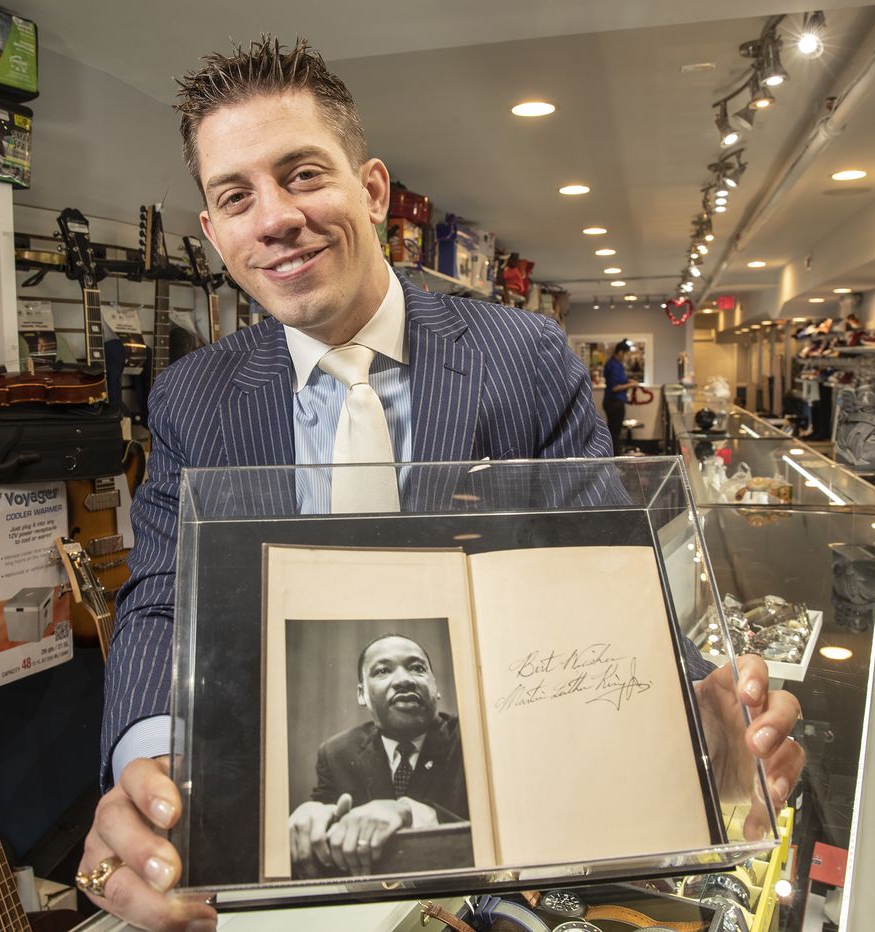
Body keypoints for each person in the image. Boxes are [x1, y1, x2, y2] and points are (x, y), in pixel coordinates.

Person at [80, 36, 804, 932]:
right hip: (287, 834)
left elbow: (601, 571)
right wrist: (151, 768)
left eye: (303, 175)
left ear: (373, 189)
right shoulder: (193, 396)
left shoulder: (524, 357)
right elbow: (160, 602)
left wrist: (689, 715)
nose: (273, 218)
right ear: (215, 232)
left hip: (512, 797)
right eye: (237, 196)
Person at [289, 634, 468, 877]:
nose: (404, 680)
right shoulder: (336, 753)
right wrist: (314, 816)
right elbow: (328, 814)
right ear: (362, 694)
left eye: (417, 668)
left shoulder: (472, 740)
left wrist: (406, 812)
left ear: (435, 687)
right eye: (383, 671)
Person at [602, 339, 636, 453]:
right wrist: (630, 384)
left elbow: (620, 380)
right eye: (626, 354)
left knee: (615, 431)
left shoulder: (617, 364)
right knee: (614, 433)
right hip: (614, 403)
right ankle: (614, 459)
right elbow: (614, 387)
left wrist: (628, 380)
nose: (627, 357)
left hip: (615, 402)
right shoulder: (613, 365)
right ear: (621, 352)